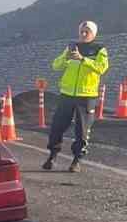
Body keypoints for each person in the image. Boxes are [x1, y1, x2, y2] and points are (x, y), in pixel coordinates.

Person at [43, 20, 109, 173]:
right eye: (82, 31)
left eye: (87, 31)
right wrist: (66, 56)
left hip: (86, 96)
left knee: (82, 131)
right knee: (56, 127)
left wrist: (83, 59)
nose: (84, 34)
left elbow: (101, 68)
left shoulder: (100, 49)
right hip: (66, 95)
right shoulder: (71, 47)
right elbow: (55, 66)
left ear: (94, 34)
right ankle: (52, 156)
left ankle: (76, 160)